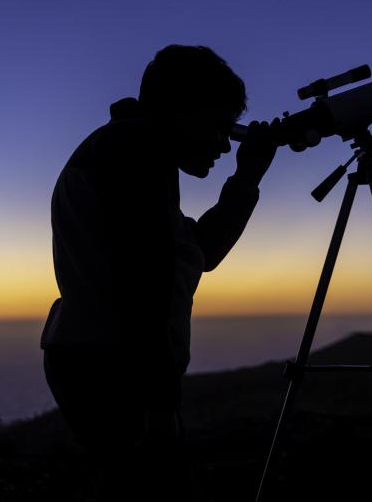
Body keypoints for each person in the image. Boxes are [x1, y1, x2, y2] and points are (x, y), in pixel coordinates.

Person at [40, 44, 278, 500]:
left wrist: (247, 179)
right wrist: (160, 407)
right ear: (174, 108)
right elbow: (146, 287)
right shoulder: (136, 148)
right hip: (114, 367)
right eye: (218, 125)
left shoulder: (129, 152)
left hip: (100, 361)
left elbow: (197, 252)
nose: (225, 143)